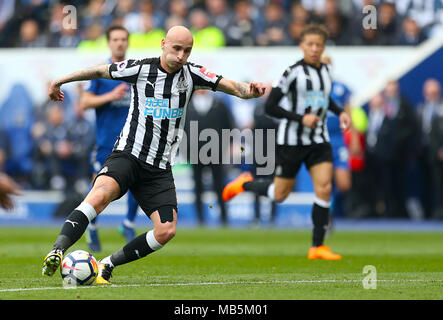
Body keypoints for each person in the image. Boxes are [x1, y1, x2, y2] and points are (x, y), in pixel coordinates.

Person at [42, 25, 266, 284]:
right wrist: (60, 80)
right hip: (128, 155)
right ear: (163, 44)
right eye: (177, 49)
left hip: (158, 169)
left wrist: (252, 90)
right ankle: (57, 250)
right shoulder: (140, 68)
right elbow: (99, 70)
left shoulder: (193, 74)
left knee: (166, 230)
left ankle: (107, 264)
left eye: (187, 51)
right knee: (100, 196)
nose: (182, 55)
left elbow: (235, 87)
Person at [222, 24, 351, 260]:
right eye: (309, 44)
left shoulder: (325, 71)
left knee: (324, 188)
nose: (314, 49)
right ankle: (244, 184)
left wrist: (340, 111)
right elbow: (270, 106)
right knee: (280, 194)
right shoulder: (292, 73)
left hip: (318, 140)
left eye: (318, 45)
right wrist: (301, 118)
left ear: (323, 48)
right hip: (291, 141)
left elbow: (324, 98)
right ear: (302, 46)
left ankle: (317, 246)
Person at [80, 25, 139, 252]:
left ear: (128, 42)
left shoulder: (135, 72)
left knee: (137, 182)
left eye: (123, 39)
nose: (120, 43)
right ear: (109, 42)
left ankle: (128, 223)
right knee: (99, 186)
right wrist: (110, 96)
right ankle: (92, 227)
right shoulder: (100, 72)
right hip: (106, 142)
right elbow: (84, 102)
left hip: (132, 141)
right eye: (115, 39)